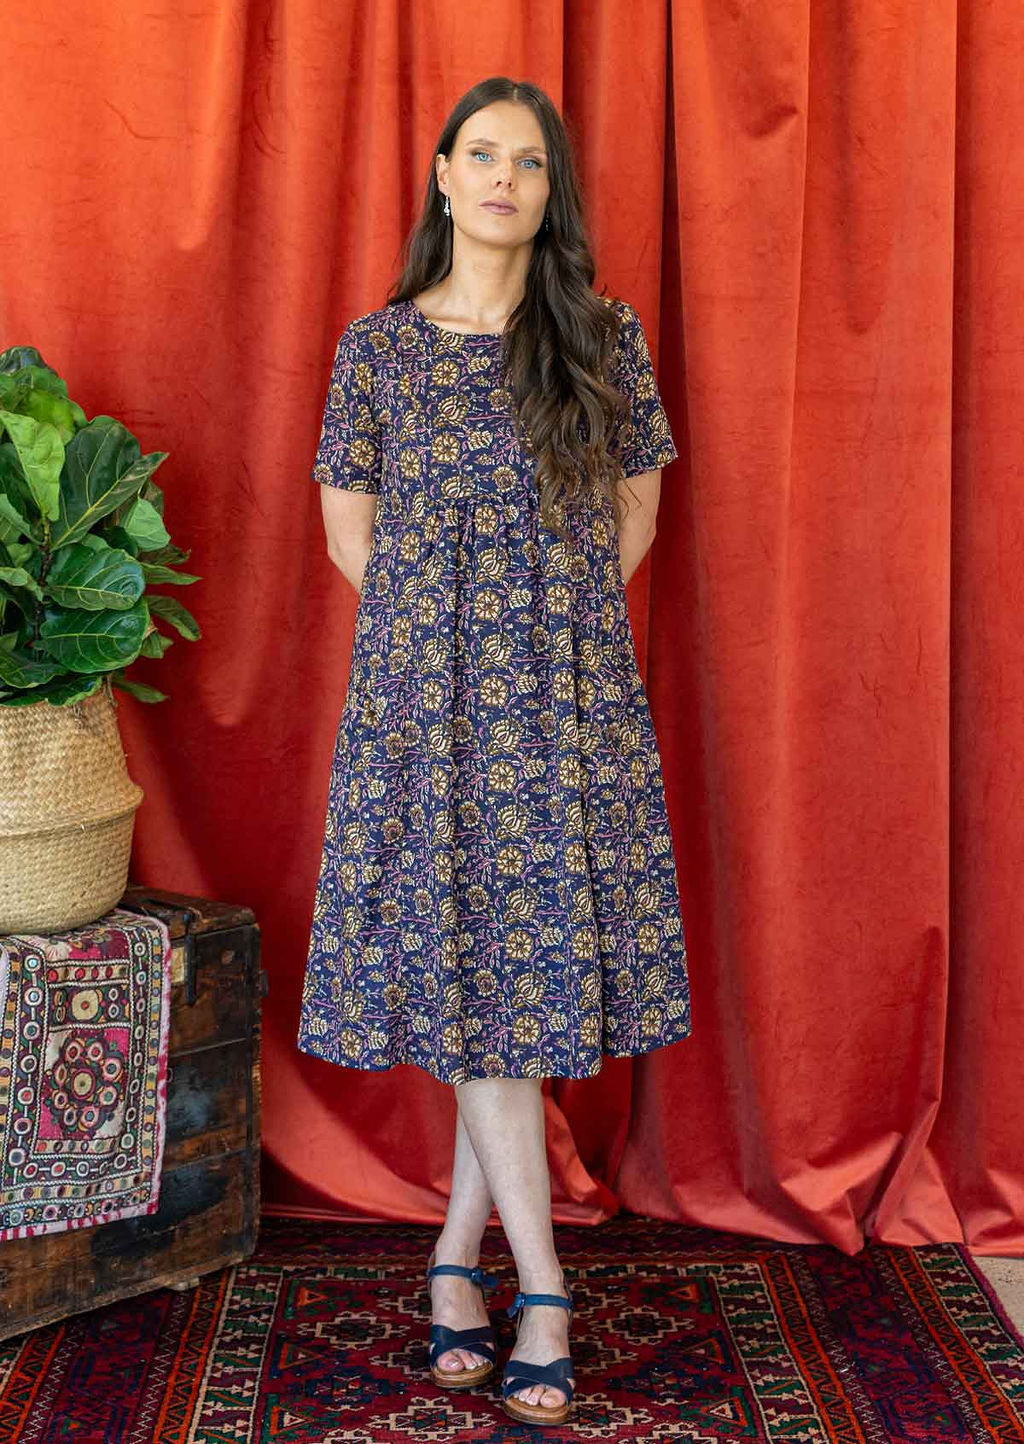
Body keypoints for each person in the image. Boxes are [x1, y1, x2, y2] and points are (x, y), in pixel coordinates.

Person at [297, 74, 692, 1428]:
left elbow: (636, 510)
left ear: (548, 189)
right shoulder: (379, 349)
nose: (506, 179)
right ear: (445, 178)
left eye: (531, 161)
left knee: (497, 988)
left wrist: (545, 632)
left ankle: (460, 1263)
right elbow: (349, 535)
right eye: (484, 156)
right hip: (425, 700)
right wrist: (450, 638)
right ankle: (541, 1289)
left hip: (566, 701)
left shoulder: (601, 337)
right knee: (482, 980)